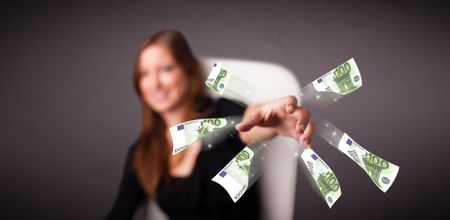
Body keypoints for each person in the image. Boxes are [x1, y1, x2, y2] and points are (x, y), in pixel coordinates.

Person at [104, 30, 315, 220]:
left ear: (188, 71)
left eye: (166, 69)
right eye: (144, 74)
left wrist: (275, 121)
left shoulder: (223, 114)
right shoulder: (142, 152)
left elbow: (252, 124)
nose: (155, 83)